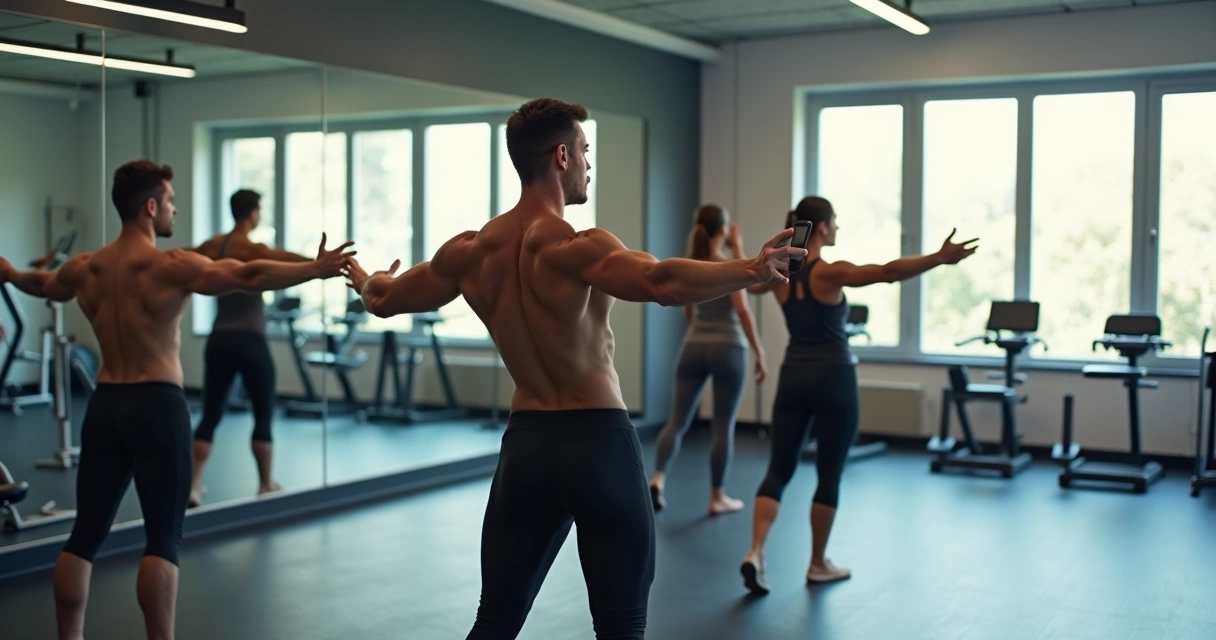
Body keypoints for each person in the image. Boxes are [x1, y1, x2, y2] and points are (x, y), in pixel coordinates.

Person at [344, 97, 804, 640]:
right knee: (621, 628)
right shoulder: (576, 246)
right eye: (586, 151)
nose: (589, 163)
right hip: (597, 445)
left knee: (493, 622)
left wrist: (361, 275)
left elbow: (385, 297)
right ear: (561, 156)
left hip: (527, 449)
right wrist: (750, 267)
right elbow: (659, 282)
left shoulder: (468, 253)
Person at [0, 159, 353, 640]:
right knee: (162, 540)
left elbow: (40, 284)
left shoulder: (86, 267)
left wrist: (8, 271)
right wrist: (314, 269)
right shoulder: (170, 265)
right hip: (157, 406)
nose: (175, 209)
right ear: (150, 207)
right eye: (169, 201)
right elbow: (247, 276)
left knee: (83, 537)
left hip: (104, 406)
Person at [739, 196, 977, 594]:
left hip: (793, 375)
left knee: (778, 470)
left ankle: (756, 552)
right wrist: (938, 257)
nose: (838, 229)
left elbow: (748, 281)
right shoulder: (827, 273)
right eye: (835, 223)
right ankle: (817, 563)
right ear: (825, 228)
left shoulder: (779, 278)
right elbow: (886, 272)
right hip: (833, 377)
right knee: (829, 472)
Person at [188, 189, 315, 507]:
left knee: (211, 413)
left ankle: (192, 485)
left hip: (219, 339)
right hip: (250, 339)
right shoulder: (253, 248)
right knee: (263, 411)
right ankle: (265, 483)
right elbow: (287, 261)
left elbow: (179, 258)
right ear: (254, 213)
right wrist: (321, 263)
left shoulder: (211, 246)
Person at [648, 207, 766, 516]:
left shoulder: (691, 267)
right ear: (723, 230)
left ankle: (658, 478)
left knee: (677, 420)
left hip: (693, 346)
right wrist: (760, 352)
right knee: (722, 427)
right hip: (728, 347)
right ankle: (717, 497)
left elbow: (687, 311)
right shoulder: (727, 267)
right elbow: (742, 311)